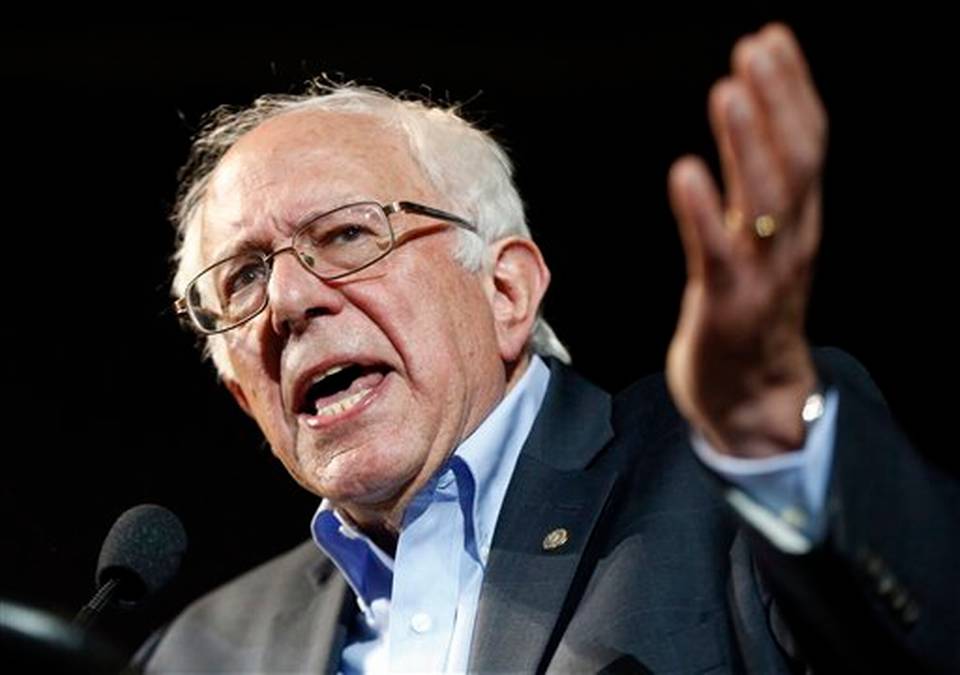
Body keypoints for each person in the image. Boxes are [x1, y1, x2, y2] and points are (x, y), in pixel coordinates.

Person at [141, 23, 958, 673]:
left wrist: (779, 439)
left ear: (506, 293)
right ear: (244, 395)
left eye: (349, 233)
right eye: (242, 278)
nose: (287, 300)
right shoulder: (195, 653)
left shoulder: (724, 493)